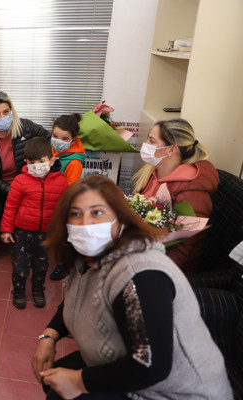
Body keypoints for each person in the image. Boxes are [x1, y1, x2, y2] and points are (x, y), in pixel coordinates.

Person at [31, 175, 232, 400]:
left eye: (97, 212)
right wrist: (49, 335)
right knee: (53, 380)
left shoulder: (139, 274)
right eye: (75, 214)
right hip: (123, 365)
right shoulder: (88, 258)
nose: (85, 223)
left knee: (61, 393)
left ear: (122, 221)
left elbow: (151, 365)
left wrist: (79, 381)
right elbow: (78, 296)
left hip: (171, 392)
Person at [0, 91, 50, 265]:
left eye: (6, 112)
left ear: (11, 111)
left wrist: (45, 164)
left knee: (35, 207)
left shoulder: (25, 127)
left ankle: (25, 243)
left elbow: (49, 139)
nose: (2, 117)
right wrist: (13, 190)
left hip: (26, 182)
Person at [132, 118, 218, 274]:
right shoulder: (154, 173)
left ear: (171, 150)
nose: (146, 144)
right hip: (142, 251)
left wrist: (136, 266)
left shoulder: (193, 193)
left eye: (152, 141)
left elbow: (181, 252)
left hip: (168, 271)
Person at [0, 137, 68, 309]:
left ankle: (38, 290)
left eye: (41, 161)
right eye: (32, 162)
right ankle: (19, 291)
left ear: (51, 161)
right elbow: (10, 207)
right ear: (26, 162)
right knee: (20, 265)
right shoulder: (20, 181)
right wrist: (6, 230)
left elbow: (64, 209)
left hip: (46, 234)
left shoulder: (61, 183)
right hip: (21, 233)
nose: (37, 166)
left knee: (41, 266)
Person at [49, 113, 87, 281]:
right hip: (51, 199)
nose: (58, 141)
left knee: (64, 237)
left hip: (63, 204)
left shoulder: (74, 162)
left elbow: (70, 190)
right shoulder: (54, 149)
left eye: (64, 138)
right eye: (55, 136)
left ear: (73, 140)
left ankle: (64, 264)